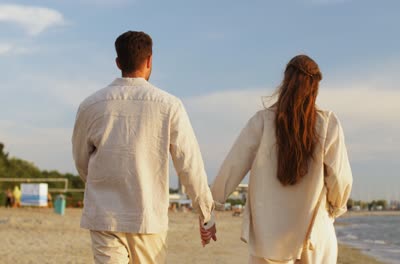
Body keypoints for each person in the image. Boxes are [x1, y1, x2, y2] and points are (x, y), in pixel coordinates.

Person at [72, 31, 216, 264]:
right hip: (147, 216)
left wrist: (101, 185)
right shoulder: (169, 105)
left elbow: (81, 160)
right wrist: (205, 212)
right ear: (149, 60)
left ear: (118, 62)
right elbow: (189, 163)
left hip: (104, 215)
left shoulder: (90, 106)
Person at [206, 55, 353, 263]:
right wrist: (336, 208)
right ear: (315, 87)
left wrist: (210, 207)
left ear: (285, 82)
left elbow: (232, 166)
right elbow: (341, 178)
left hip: (269, 236)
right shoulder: (328, 123)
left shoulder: (261, 121)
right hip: (315, 233)